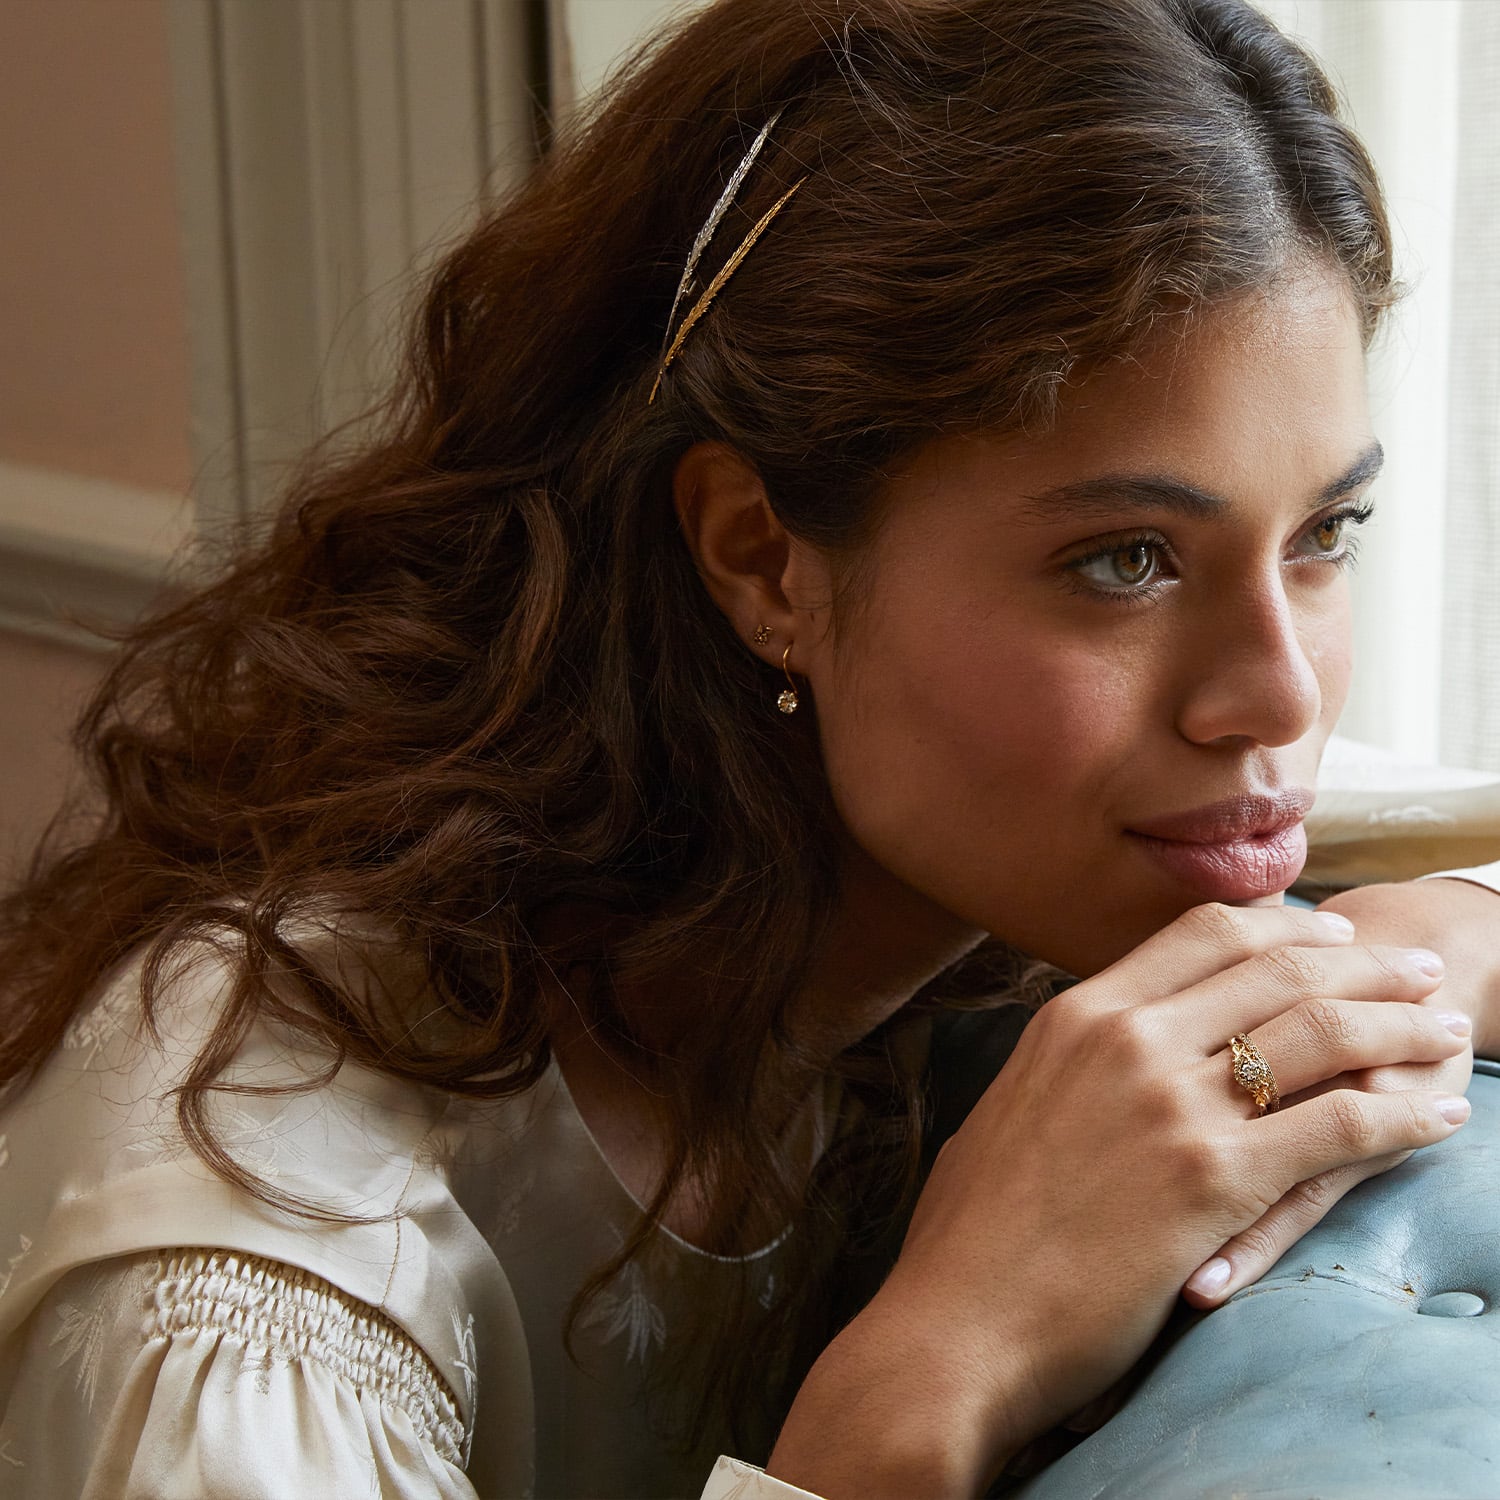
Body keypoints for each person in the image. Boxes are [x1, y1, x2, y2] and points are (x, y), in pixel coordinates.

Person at [1, 0, 1497, 1495]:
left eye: (1326, 533)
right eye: (1127, 562)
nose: (1283, 697)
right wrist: (933, 1373)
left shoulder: (1020, 805)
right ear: (763, 559)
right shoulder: (255, 1279)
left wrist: (1418, 950)